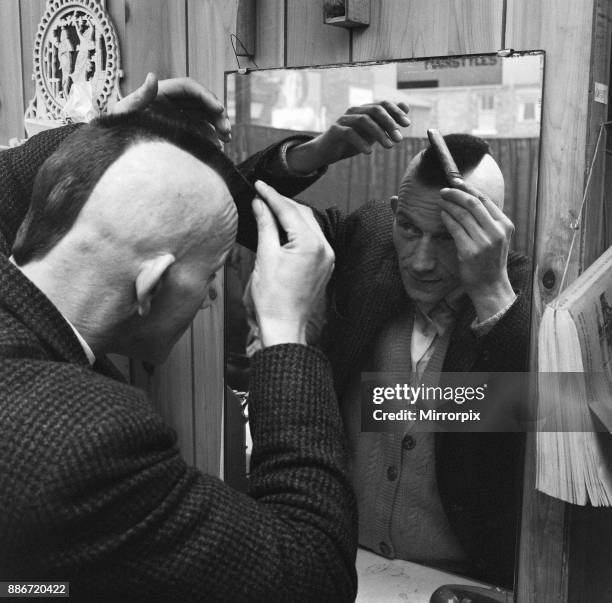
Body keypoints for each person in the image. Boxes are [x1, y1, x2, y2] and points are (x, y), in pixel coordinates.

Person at [0, 82, 357, 601]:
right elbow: (312, 573)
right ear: (152, 286)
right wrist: (286, 333)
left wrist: (107, 139)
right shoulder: (85, 443)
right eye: (211, 276)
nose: (213, 297)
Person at [243, 105, 531, 587]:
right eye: (410, 229)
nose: (419, 262)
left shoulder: (524, 299)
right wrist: (315, 152)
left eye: (447, 238)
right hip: (342, 565)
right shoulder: (370, 239)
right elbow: (237, 207)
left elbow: (542, 426)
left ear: (489, 232)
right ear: (395, 213)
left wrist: (492, 296)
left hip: (462, 582)